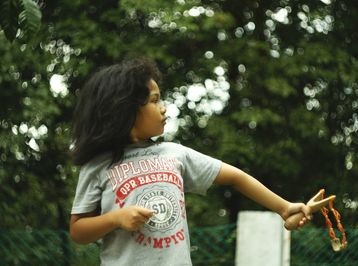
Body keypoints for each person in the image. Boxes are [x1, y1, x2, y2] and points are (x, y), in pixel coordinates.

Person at [69, 58, 311, 266]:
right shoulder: (97, 165)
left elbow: (237, 177)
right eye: (154, 101)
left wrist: (284, 207)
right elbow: (78, 230)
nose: (164, 109)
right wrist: (116, 218)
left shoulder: (174, 153)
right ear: (126, 110)